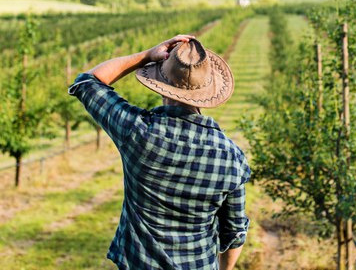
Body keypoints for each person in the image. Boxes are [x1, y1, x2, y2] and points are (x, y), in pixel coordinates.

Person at [68, 35, 250, 270]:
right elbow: (235, 233)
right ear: (208, 91)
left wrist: (145, 56)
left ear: (159, 83)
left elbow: (87, 82)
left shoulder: (136, 131)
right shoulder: (231, 157)